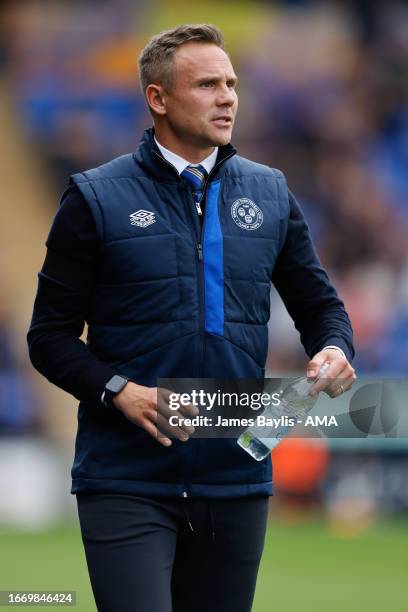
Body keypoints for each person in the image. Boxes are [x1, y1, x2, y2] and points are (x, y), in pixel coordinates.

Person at [27, 24, 356, 612]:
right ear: (158, 98)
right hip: (126, 480)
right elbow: (49, 339)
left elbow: (322, 308)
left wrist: (335, 347)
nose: (228, 96)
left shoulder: (271, 192)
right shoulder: (95, 197)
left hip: (236, 479)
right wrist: (118, 392)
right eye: (207, 84)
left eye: (231, 83)